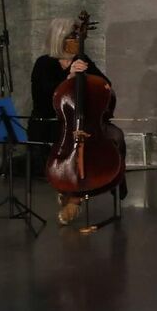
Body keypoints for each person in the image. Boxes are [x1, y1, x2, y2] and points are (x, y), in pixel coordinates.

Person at [30, 15, 109, 226]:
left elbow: (105, 85)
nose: (76, 39)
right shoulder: (43, 64)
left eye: (77, 35)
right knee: (71, 150)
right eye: (72, 36)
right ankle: (71, 194)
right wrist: (68, 78)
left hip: (78, 123)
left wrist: (92, 80)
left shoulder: (82, 61)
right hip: (50, 123)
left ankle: (74, 197)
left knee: (96, 143)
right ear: (60, 38)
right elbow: (44, 96)